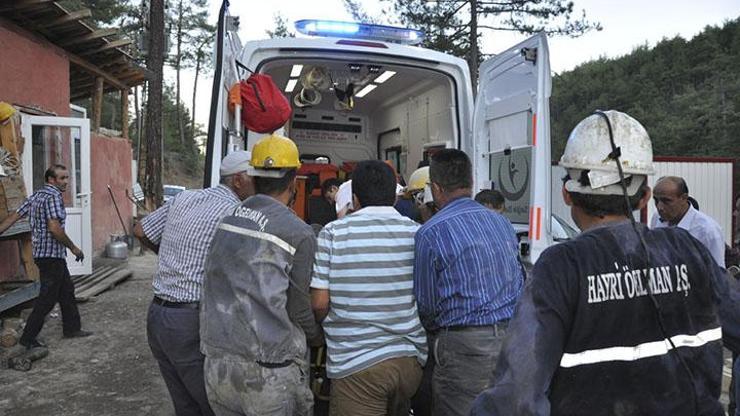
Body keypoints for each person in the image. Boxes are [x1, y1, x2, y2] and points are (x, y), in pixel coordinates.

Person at [470, 110, 740, 416]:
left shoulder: (562, 267)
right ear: (644, 197)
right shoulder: (689, 249)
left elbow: (517, 397)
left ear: (567, 195)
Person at [201, 134, 323, 416]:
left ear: (253, 178)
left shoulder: (227, 220)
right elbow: (299, 306)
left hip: (218, 365)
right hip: (268, 373)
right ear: (294, 181)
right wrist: (316, 336)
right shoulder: (298, 233)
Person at [133, 151, 255, 416]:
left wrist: (166, 255)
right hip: (189, 322)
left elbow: (141, 230)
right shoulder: (236, 211)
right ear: (238, 180)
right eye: (255, 177)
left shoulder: (187, 197)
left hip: (158, 316)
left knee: (185, 404)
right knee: (214, 405)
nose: (260, 183)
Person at [310, 160, 427, 416]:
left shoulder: (333, 233)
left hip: (356, 366)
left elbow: (319, 303)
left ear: (354, 198)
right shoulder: (417, 232)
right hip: (409, 364)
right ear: (395, 198)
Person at [413, 149, 524, 416]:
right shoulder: (502, 224)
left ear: (436, 189)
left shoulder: (430, 233)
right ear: (471, 183)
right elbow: (519, 280)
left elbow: (427, 306)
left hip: (462, 349)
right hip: (511, 344)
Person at [0, 164, 91, 349]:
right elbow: (54, 228)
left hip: (44, 254)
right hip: (51, 257)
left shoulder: (36, 196)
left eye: (67, 177)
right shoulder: (54, 196)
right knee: (46, 300)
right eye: (62, 178)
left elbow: (14, 216)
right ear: (51, 179)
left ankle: (72, 328)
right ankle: (28, 338)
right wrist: (74, 248)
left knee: (66, 290)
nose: (66, 181)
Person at [651, 176, 726, 268]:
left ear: (684, 198)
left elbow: (718, 273)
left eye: (666, 201)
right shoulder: (657, 218)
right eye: (656, 200)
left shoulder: (708, 231)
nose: (660, 207)